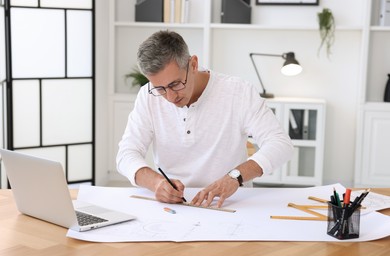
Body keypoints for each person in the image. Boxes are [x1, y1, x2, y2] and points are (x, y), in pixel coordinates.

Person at [117, 30, 293, 208]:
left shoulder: (238, 92)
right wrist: (156, 183)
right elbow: (126, 153)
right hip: (176, 206)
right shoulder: (147, 97)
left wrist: (235, 177)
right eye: (160, 88)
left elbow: (280, 143)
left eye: (175, 84)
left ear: (193, 64)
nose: (170, 97)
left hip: (230, 203)